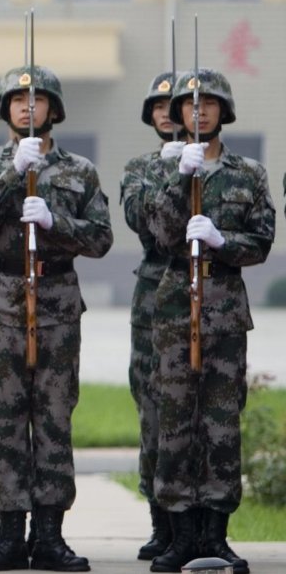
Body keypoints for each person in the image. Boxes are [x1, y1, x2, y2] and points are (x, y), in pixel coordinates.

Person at [0, 65, 112, 572]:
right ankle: (9, 532)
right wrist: (12, 174)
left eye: (38, 98)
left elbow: (100, 239)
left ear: (55, 108)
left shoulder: (79, 171)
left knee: (54, 418)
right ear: (5, 108)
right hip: (3, 299)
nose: (28, 106)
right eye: (18, 99)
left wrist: (55, 220)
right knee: (3, 420)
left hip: (56, 299)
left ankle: (50, 533)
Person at [146, 69, 273, 574]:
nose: (198, 113)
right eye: (189, 106)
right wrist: (180, 180)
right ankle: (178, 537)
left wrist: (223, 241)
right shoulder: (165, 168)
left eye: (208, 105)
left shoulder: (247, 174)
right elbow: (157, 231)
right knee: (174, 424)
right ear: (176, 114)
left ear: (224, 111)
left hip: (223, 306)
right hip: (177, 305)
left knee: (221, 426)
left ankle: (216, 537)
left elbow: (261, 242)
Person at [118, 72, 182, 562]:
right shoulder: (141, 167)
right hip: (154, 298)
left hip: (206, 293)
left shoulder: (219, 165)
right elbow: (144, 224)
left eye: (173, 105)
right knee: (154, 414)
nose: (165, 113)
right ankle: (161, 522)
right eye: (157, 107)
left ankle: (198, 524)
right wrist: (172, 176)